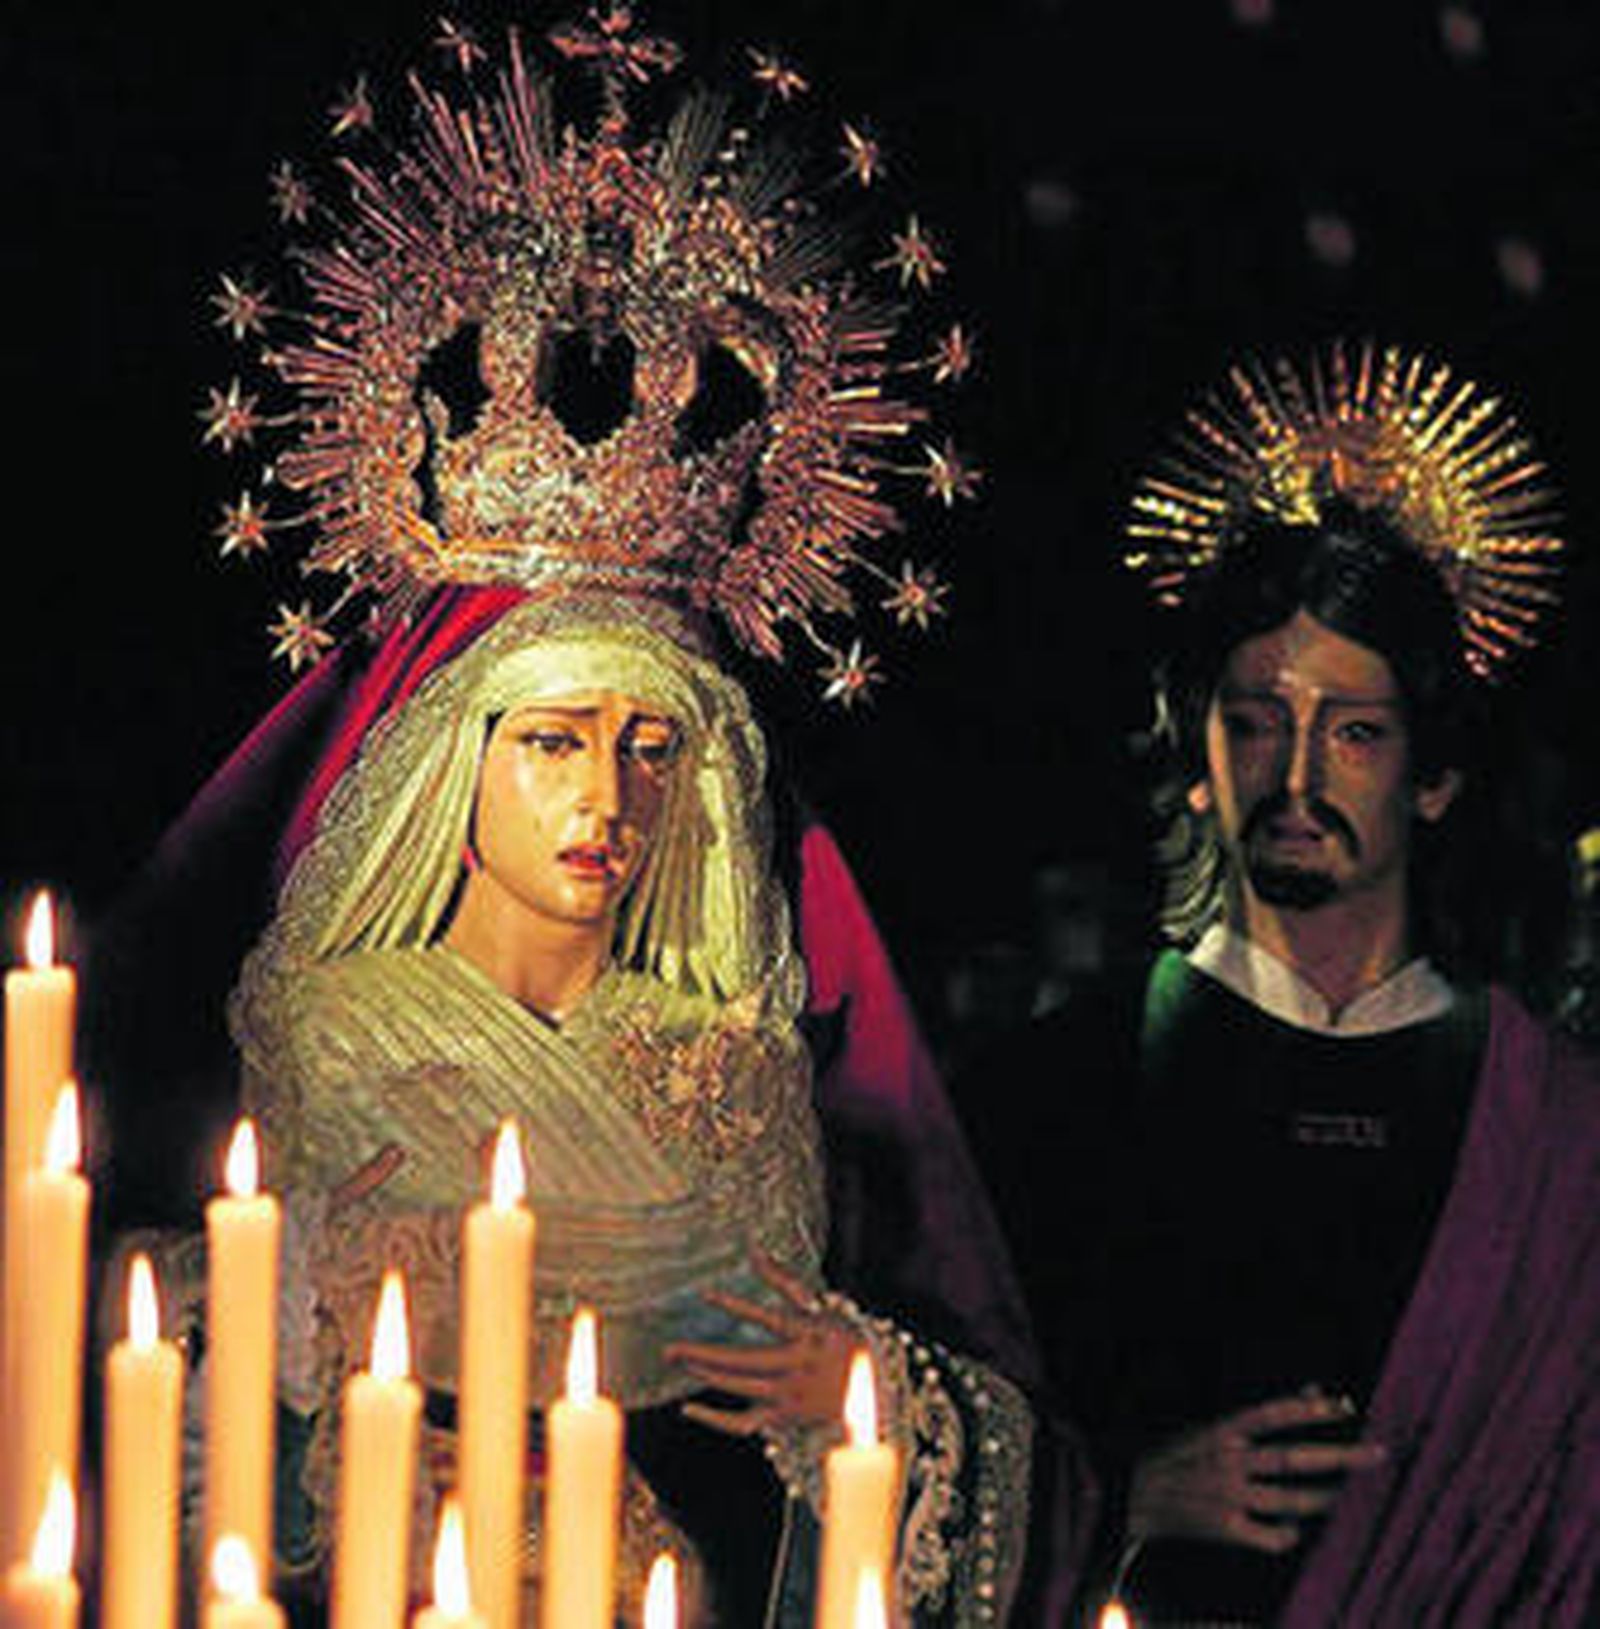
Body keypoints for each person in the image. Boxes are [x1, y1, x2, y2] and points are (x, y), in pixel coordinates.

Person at [85, 14, 1089, 1625]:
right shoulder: (311, 1039)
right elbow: (109, 1369)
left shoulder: (742, 1078)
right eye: (553, 741)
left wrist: (862, 1394)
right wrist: (278, 1364)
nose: (606, 795)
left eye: (651, 749)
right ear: (451, 768)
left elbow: (979, 1428)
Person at [972, 344, 1600, 1625]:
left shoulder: (1551, 1126)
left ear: (1434, 776)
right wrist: (1118, 1498)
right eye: (1257, 722)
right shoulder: (1051, 1087)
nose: (1297, 776)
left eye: (1354, 732)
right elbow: (938, 1434)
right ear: (1198, 754)